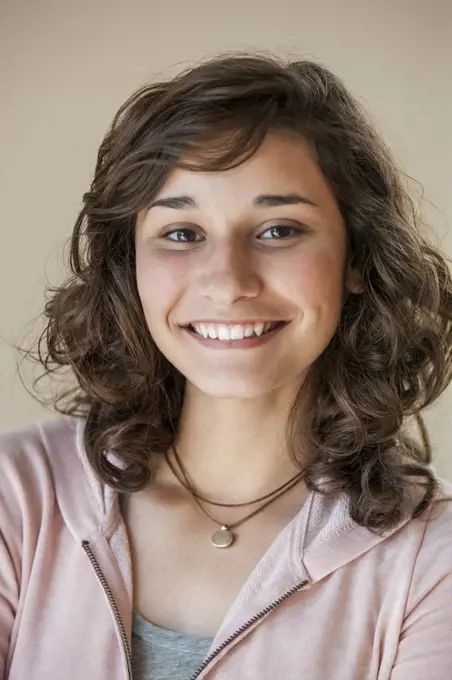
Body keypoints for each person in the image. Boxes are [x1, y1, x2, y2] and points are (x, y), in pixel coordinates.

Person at [1, 51, 452, 680]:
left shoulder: (433, 561)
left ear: (356, 257)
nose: (228, 281)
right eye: (182, 233)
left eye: (278, 230)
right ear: (131, 266)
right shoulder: (17, 496)